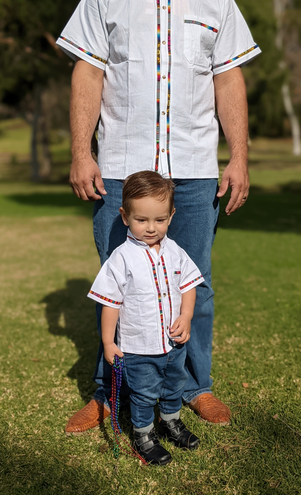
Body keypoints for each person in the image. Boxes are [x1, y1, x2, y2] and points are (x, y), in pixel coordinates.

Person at [56, 0, 261, 434]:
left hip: (194, 170)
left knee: (195, 284)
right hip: (124, 169)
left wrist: (240, 156)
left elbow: (228, 78)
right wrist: (82, 152)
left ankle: (194, 387)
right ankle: (110, 392)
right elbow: (88, 70)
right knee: (119, 286)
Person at [88, 170, 202, 465]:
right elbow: (110, 303)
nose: (151, 228)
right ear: (125, 216)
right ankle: (144, 434)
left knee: (174, 385)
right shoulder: (121, 258)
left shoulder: (175, 251)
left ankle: (170, 421)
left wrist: (186, 316)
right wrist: (108, 342)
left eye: (160, 220)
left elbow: (188, 285)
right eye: (142, 220)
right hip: (138, 347)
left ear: (171, 215)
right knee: (143, 394)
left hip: (174, 343)